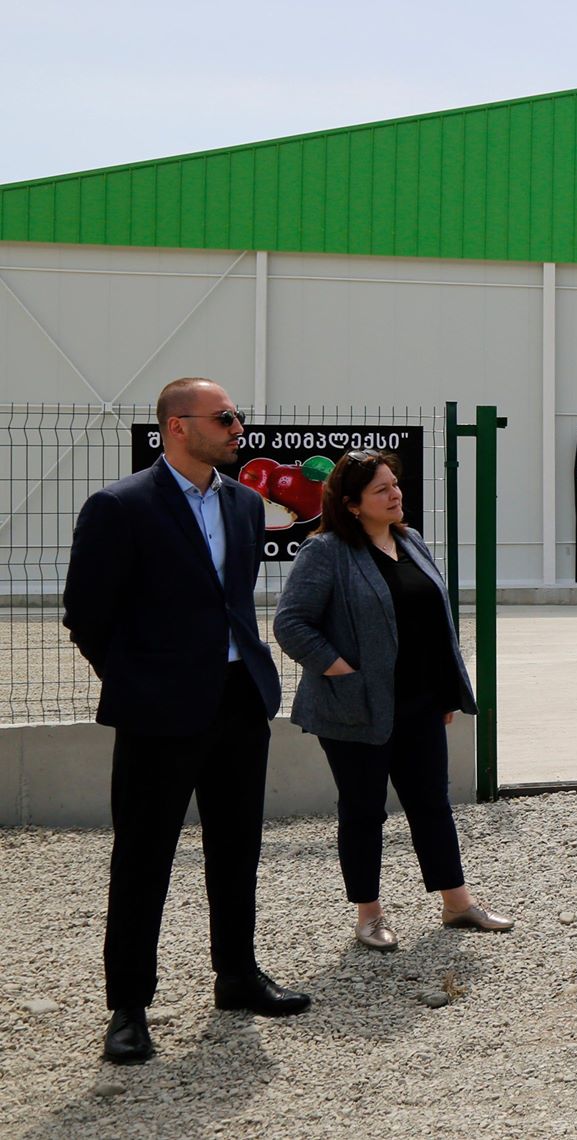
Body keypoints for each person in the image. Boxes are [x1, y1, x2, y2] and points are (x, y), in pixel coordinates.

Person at [62, 377, 307, 1065]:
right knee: (144, 857)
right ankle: (128, 1006)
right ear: (178, 425)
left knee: (237, 846)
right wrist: (138, 681)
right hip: (158, 709)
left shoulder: (243, 504)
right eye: (224, 418)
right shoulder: (120, 506)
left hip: (238, 699)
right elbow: (87, 614)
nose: (238, 429)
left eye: (238, 417)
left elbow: (231, 600)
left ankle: (237, 975)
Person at [273, 450, 512, 952]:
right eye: (381, 489)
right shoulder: (326, 551)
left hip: (420, 703)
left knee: (432, 804)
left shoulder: (411, 541)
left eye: (395, 484)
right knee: (364, 812)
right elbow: (291, 624)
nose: (395, 494)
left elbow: (432, 624)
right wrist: (344, 672)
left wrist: (443, 689)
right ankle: (369, 914)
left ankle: (457, 903)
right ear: (351, 504)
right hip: (355, 708)